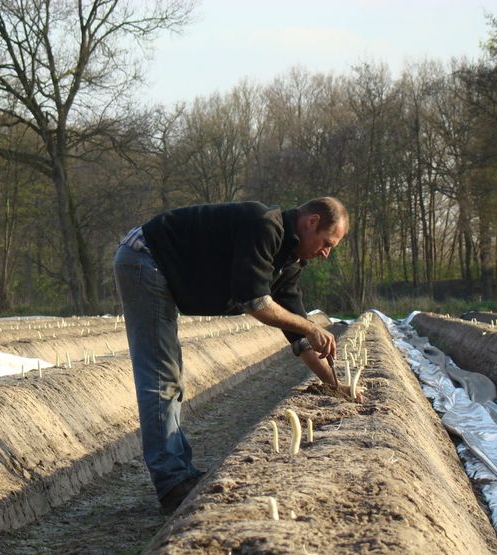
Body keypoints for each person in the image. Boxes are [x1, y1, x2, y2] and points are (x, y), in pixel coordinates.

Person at [113, 197, 348, 513]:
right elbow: (255, 302)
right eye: (327, 243)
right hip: (145, 258)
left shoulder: (289, 261)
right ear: (311, 222)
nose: (326, 253)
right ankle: (173, 484)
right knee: (161, 377)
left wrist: (336, 386)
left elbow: (300, 341)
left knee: (169, 377)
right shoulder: (265, 226)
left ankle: (180, 473)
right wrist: (309, 327)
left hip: (157, 267)